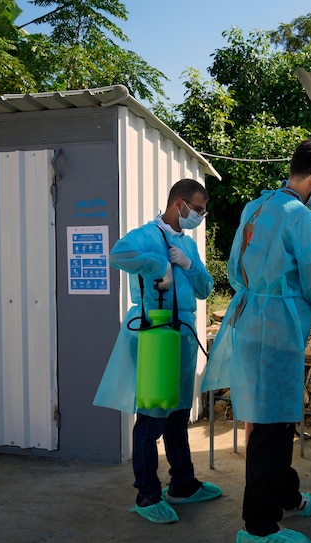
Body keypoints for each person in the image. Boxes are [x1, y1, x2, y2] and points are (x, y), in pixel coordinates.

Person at [202, 138, 311, 543]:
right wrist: (300, 305)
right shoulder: (299, 216)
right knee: (270, 429)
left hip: (249, 316)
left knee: (276, 420)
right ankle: (258, 527)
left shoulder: (255, 206)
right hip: (277, 326)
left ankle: (288, 497)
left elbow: (232, 267)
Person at [94, 178, 222, 524]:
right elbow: (117, 254)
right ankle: (147, 494)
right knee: (152, 416)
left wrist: (188, 265)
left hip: (182, 336)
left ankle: (183, 484)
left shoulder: (188, 245)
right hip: (156, 333)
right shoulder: (146, 236)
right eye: (196, 209)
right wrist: (159, 265)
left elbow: (206, 287)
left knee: (179, 412)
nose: (199, 215)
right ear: (179, 204)